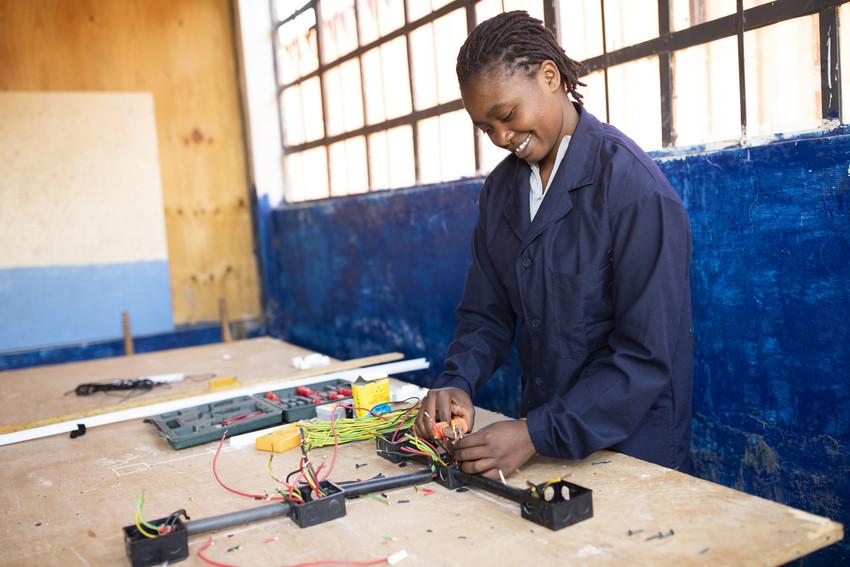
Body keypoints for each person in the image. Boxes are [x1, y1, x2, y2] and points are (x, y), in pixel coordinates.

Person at [413, 11, 693, 479]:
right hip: (544, 447)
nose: (502, 138)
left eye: (507, 115)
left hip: (633, 452)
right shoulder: (502, 191)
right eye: (486, 128)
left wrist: (535, 433)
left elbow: (645, 357)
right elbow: (487, 313)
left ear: (550, 76)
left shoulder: (635, 191)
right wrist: (458, 381)